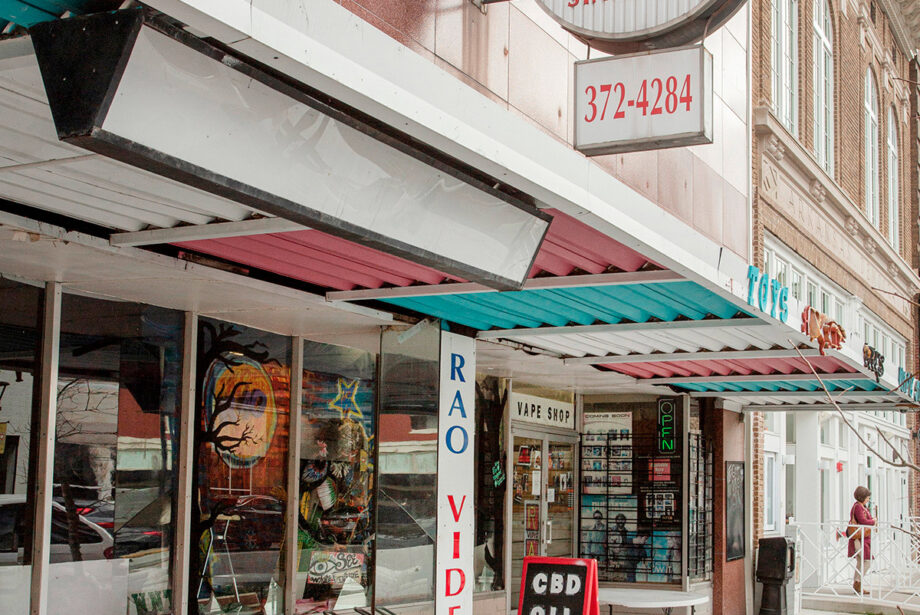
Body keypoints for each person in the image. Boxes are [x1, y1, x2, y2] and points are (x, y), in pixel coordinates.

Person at [848, 485, 876, 595]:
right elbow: (863, 521)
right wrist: (873, 521)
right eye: (867, 497)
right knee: (866, 561)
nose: (868, 500)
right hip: (859, 538)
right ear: (862, 497)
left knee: (861, 561)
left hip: (862, 538)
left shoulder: (861, 506)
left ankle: (858, 584)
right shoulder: (858, 507)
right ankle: (857, 583)